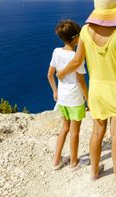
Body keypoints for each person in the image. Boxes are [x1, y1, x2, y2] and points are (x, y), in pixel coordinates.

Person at [56, 0, 116, 182]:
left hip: (97, 89)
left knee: (97, 131)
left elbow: (76, 61)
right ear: (113, 12)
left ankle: (94, 172)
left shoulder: (84, 32)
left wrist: (60, 74)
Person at [47, 19, 89, 170]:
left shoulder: (56, 52)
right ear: (76, 37)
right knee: (75, 132)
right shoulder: (76, 58)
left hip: (62, 99)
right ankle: (73, 162)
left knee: (65, 128)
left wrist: (55, 91)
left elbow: (50, 75)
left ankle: (57, 160)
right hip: (75, 100)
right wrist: (88, 99)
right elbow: (81, 81)